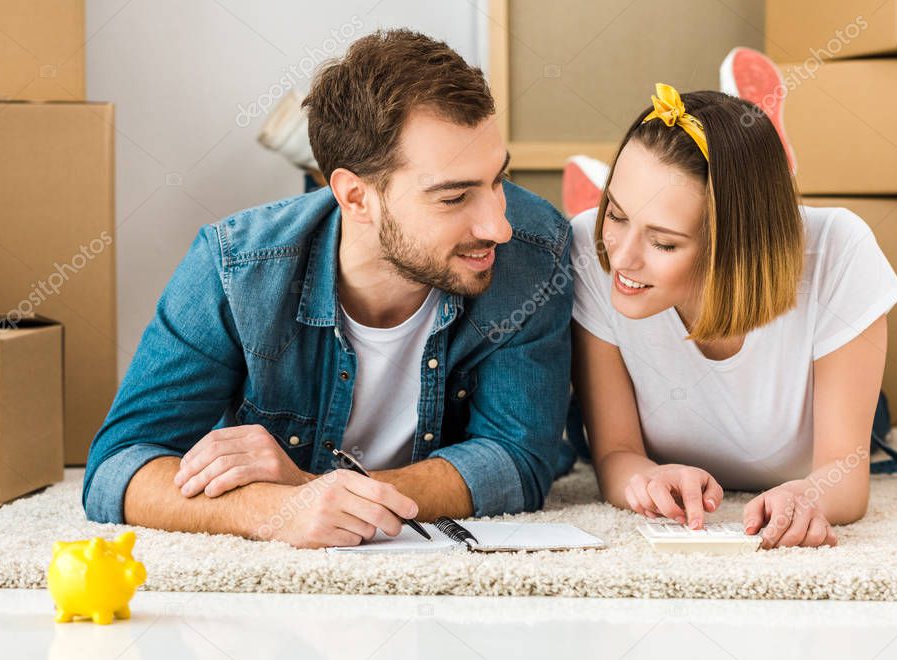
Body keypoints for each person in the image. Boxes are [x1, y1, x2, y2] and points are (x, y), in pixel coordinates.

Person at [83, 30, 575, 548]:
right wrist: (273, 510)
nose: (498, 226)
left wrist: (315, 489)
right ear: (355, 196)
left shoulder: (533, 250)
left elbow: (518, 461)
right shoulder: (236, 268)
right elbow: (119, 465)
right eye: (454, 198)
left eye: (498, 179)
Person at [570, 84, 897, 549]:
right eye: (617, 213)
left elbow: (846, 475)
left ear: (733, 246)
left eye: (663, 242)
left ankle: (765, 172)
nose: (622, 257)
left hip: (802, 409)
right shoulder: (588, 244)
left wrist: (807, 494)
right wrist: (647, 477)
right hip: (673, 426)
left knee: (878, 419)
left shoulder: (839, 249)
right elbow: (614, 453)